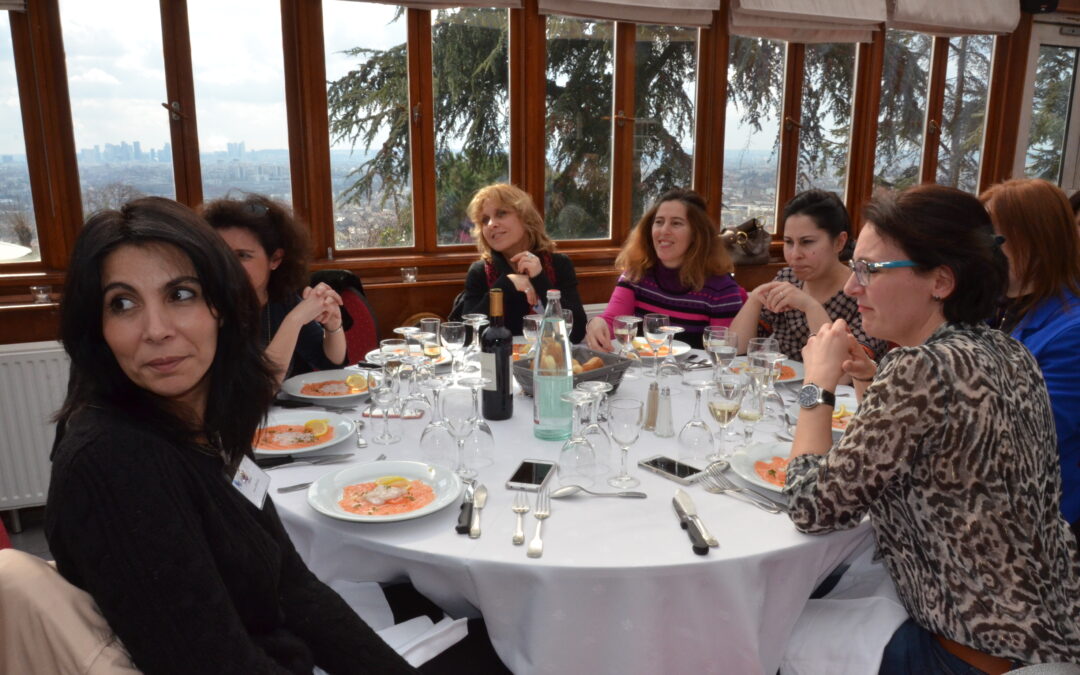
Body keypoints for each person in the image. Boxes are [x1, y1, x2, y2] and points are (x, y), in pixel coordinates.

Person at [45, 197, 415, 674]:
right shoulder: (114, 462)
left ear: (221, 306)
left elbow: (293, 587)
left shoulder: (207, 424)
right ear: (98, 328)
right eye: (123, 303)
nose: (156, 330)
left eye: (181, 294)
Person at [785, 184, 1080, 670]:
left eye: (870, 269)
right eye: (854, 267)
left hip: (967, 654)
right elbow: (921, 451)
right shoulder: (1009, 350)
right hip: (1049, 636)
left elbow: (811, 507)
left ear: (940, 281)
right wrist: (869, 379)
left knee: (763, 626)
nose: (852, 286)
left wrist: (816, 386)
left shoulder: (921, 368)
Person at [981, 178, 1080, 536]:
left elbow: (1031, 436)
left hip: (1036, 523)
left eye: (994, 239)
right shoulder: (997, 308)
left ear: (1036, 242)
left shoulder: (1072, 331)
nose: (982, 251)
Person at [202, 194, 346, 381]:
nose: (228, 265)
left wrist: (333, 325)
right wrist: (295, 320)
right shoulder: (207, 310)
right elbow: (254, 389)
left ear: (275, 259)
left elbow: (330, 363)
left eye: (242, 255)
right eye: (220, 255)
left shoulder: (282, 301)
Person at [729, 189, 886, 361]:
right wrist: (755, 298)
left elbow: (848, 369)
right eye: (789, 242)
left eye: (807, 242)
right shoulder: (787, 280)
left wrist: (810, 307)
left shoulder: (863, 293)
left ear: (839, 242)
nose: (795, 254)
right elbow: (734, 349)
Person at [584, 188, 745, 351]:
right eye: (659, 222)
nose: (663, 231)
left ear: (696, 234)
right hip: (644, 366)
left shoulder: (721, 288)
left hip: (697, 368)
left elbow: (723, 351)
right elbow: (613, 321)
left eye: (676, 223)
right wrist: (597, 323)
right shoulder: (636, 273)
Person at [453, 183, 587, 343]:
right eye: (485, 220)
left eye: (501, 213)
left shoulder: (560, 264)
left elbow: (577, 333)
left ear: (525, 218)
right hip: (500, 358)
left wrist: (540, 279)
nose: (491, 224)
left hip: (549, 357)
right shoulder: (480, 271)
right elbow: (467, 338)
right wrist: (505, 285)